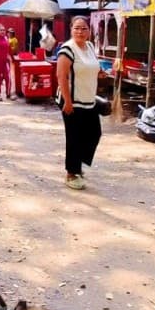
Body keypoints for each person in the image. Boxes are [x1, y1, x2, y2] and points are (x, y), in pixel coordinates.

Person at [55, 16, 103, 190]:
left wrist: (100, 73)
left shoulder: (89, 46)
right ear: (71, 29)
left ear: (89, 31)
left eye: (84, 28)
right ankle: (71, 173)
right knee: (74, 137)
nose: (80, 32)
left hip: (88, 99)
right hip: (72, 101)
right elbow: (61, 76)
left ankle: (77, 164)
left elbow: (91, 66)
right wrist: (67, 102)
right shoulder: (67, 49)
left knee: (94, 133)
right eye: (77, 28)